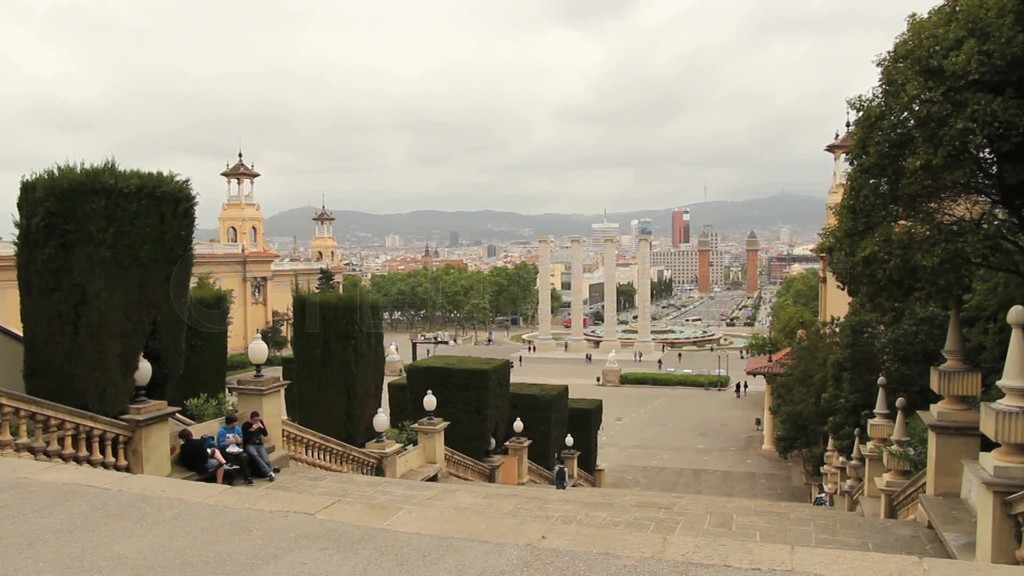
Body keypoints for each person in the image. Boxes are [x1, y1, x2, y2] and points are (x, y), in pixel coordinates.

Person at [242, 411, 279, 481]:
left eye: (258, 420)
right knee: (256, 456)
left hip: (259, 445)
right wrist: (252, 429)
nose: (257, 422)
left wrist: (262, 428)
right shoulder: (245, 425)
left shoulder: (260, 422)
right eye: (255, 420)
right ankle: (269, 472)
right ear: (251, 419)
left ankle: (271, 468)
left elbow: (265, 434)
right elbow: (246, 438)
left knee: (266, 460)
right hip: (249, 445)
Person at [217, 414, 254, 485]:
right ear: (231, 423)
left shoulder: (237, 429)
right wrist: (227, 442)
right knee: (230, 458)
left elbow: (241, 439)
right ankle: (230, 479)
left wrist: (239, 440)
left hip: (236, 448)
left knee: (243, 457)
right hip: (226, 450)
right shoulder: (221, 431)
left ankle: (247, 477)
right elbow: (220, 445)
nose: (237, 423)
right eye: (235, 422)